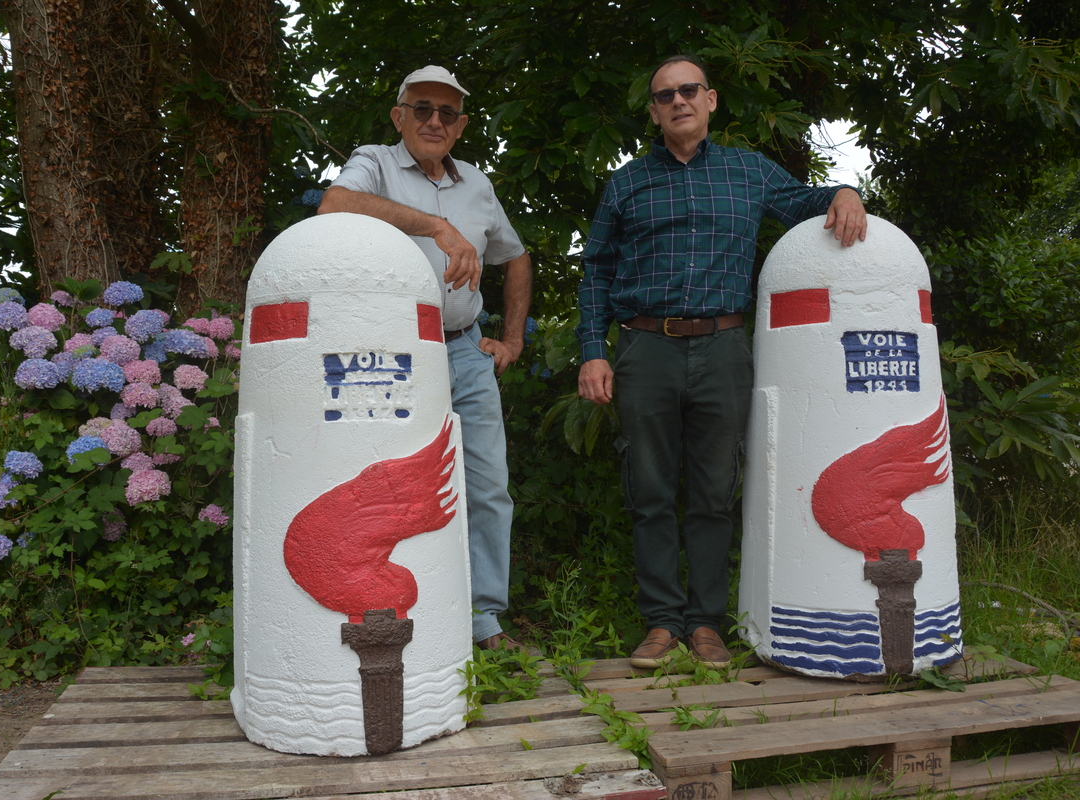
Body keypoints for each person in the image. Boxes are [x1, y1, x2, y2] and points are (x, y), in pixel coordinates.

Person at [576, 55, 867, 669]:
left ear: (710, 99)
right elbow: (595, 270)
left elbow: (802, 202)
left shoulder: (748, 171)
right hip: (644, 346)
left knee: (715, 490)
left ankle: (705, 623)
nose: (677, 101)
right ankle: (660, 623)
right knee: (648, 489)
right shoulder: (627, 182)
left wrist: (844, 190)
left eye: (688, 91)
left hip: (724, 348)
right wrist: (592, 352)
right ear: (653, 111)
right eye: (664, 96)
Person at [318, 65, 534, 654]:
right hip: (391, 356)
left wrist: (511, 340)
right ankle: (399, 611)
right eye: (422, 109)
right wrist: (435, 226)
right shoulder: (376, 163)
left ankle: (483, 620)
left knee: (488, 485)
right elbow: (334, 204)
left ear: (461, 125)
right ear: (400, 116)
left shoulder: (477, 186)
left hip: (465, 349)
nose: (434, 121)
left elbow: (515, 257)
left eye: (446, 113)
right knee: (389, 485)